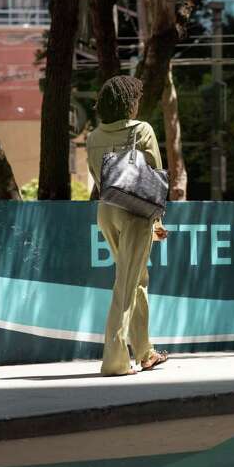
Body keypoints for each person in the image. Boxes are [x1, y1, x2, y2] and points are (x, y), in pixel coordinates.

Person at [86, 75, 170, 376]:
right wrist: (157, 221)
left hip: (107, 211)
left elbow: (99, 178)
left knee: (136, 281)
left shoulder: (93, 136)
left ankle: (145, 353)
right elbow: (154, 179)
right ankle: (115, 360)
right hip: (135, 214)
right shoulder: (142, 130)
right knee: (126, 284)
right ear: (128, 103)